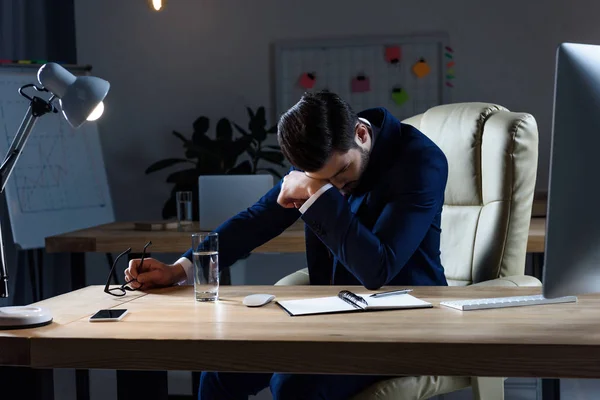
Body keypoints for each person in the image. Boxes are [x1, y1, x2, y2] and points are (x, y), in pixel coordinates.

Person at [125, 90, 449, 399]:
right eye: (322, 180)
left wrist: (319, 194)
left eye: (342, 173)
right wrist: (179, 270)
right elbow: (256, 221)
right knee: (220, 372)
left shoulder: (421, 161)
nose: (338, 187)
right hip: (334, 317)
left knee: (294, 384)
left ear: (361, 134)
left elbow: (379, 268)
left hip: (404, 320)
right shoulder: (321, 154)